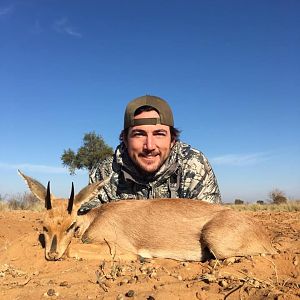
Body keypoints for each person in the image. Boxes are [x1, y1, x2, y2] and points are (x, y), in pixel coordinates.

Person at [79, 95, 221, 213]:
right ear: (125, 140)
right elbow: (87, 221)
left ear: (173, 140)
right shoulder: (106, 171)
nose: (150, 146)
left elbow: (214, 221)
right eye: (139, 134)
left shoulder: (194, 164)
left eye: (159, 134)